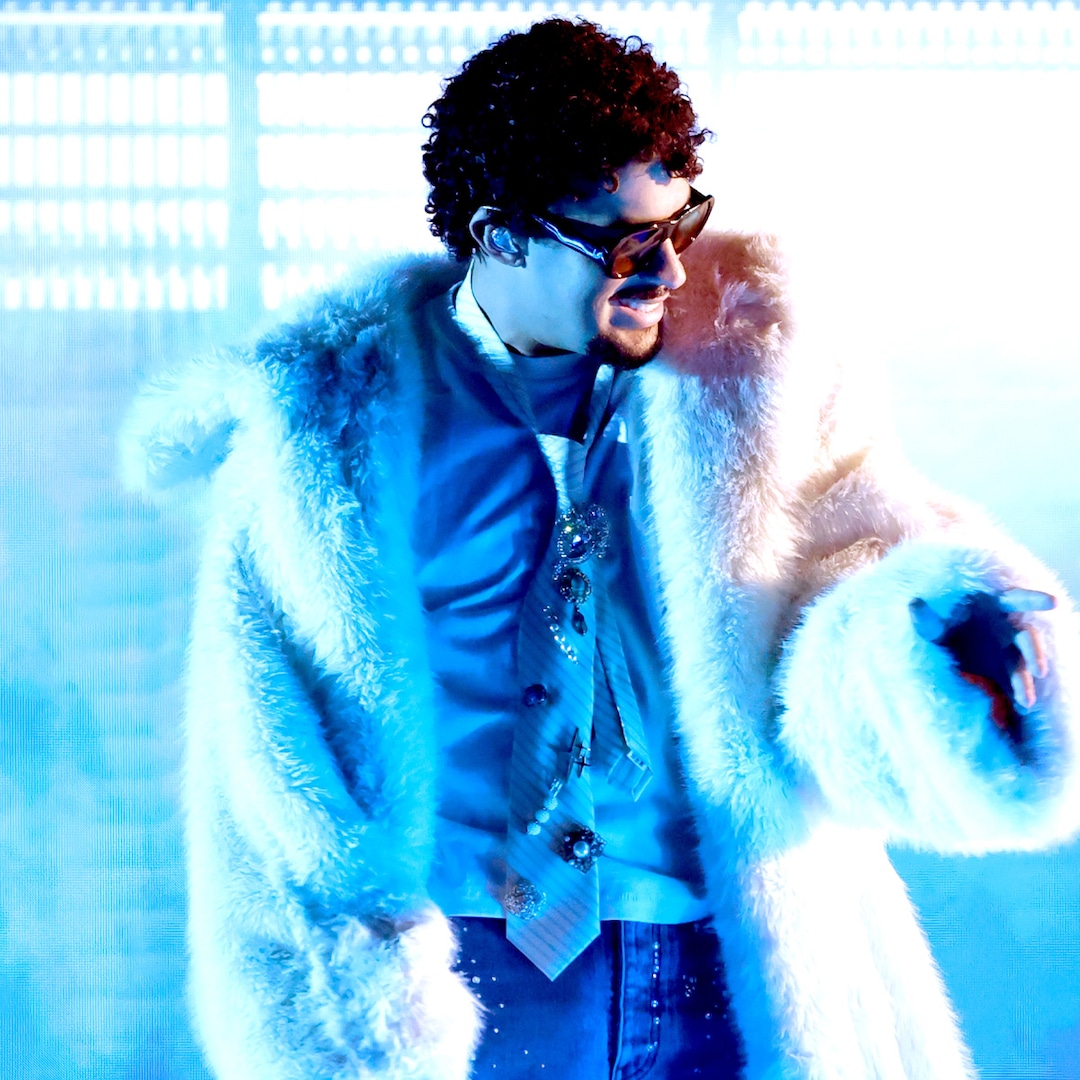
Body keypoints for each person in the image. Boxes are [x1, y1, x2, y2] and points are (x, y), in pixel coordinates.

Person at [120, 18, 1080, 1080]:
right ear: (500, 235)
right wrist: (353, 1010)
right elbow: (272, 762)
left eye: (681, 225)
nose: (666, 269)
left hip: (736, 961)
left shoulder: (756, 376)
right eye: (622, 243)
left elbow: (842, 602)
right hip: (469, 982)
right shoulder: (326, 442)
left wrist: (937, 643)